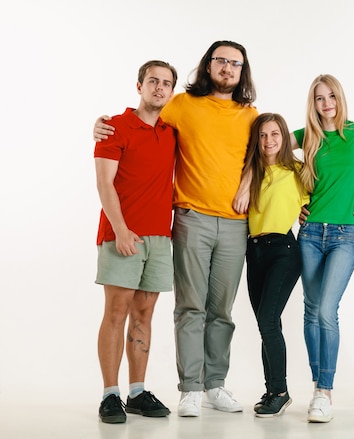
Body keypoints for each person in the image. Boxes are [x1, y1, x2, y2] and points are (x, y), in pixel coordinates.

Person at [93, 40, 258, 417]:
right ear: (208, 65)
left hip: (213, 227)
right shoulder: (180, 106)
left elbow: (270, 149)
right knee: (180, 308)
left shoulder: (247, 115)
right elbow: (133, 126)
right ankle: (178, 390)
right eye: (220, 60)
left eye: (235, 63)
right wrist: (100, 124)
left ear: (242, 70)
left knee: (214, 311)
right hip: (186, 220)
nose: (227, 68)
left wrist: (250, 185)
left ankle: (203, 385)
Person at [94, 60, 177, 423]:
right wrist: (122, 229)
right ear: (139, 85)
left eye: (166, 83)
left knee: (144, 314)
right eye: (153, 81)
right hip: (121, 235)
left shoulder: (172, 131)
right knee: (116, 313)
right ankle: (110, 395)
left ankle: (137, 391)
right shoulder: (114, 127)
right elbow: (104, 183)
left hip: (160, 238)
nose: (159, 88)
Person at [291, 74, 354, 423]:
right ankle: (317, 387)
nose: (326, 104)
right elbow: (266, 141)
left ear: (340, 98)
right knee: (310, 310)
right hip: (309, 233)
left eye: (331, 96)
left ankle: (325, 390)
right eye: (319, 98)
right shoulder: (307, 137)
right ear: (313, 104)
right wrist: (295, 204)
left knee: (325, 309)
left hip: (344, 234)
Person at [242, 113, 310, 417]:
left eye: (275, 134)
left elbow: (325, 195)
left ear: (285, 138)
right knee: (266, 322)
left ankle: (280, 391)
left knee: (267, 319)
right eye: (263, 135)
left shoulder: (297, 170)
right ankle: (272, 389)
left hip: (283, 249)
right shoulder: (249, 172)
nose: (269, 141)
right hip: (253, 251)